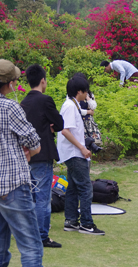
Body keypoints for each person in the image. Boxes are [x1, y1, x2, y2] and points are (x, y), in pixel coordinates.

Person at [0, 59, 43, 266]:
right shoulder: (10, 107)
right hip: (12, 185)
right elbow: (33, 142)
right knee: (30, 246)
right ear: (10, 83)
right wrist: (29, 151)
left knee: (0, 248)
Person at [20, 64, 64, 248]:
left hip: (26, 155)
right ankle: (42, 236)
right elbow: (60, 123)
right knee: (43, 198)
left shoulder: (23, 102)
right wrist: (50, 126)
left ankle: (30, 232)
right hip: (42, 153)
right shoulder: (45, 100)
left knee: (30, 196)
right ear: (43, 80)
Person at [57, 76, 105, 235]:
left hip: (72, 153)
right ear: (79, 91)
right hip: (74, 153)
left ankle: (71, 221)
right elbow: (65, 130)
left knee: (73, 188)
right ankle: (86, 224)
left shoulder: (73, 104)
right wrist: (82, 148)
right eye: (86, 91)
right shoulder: (70, 106)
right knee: (85, 188)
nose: (87, 95)